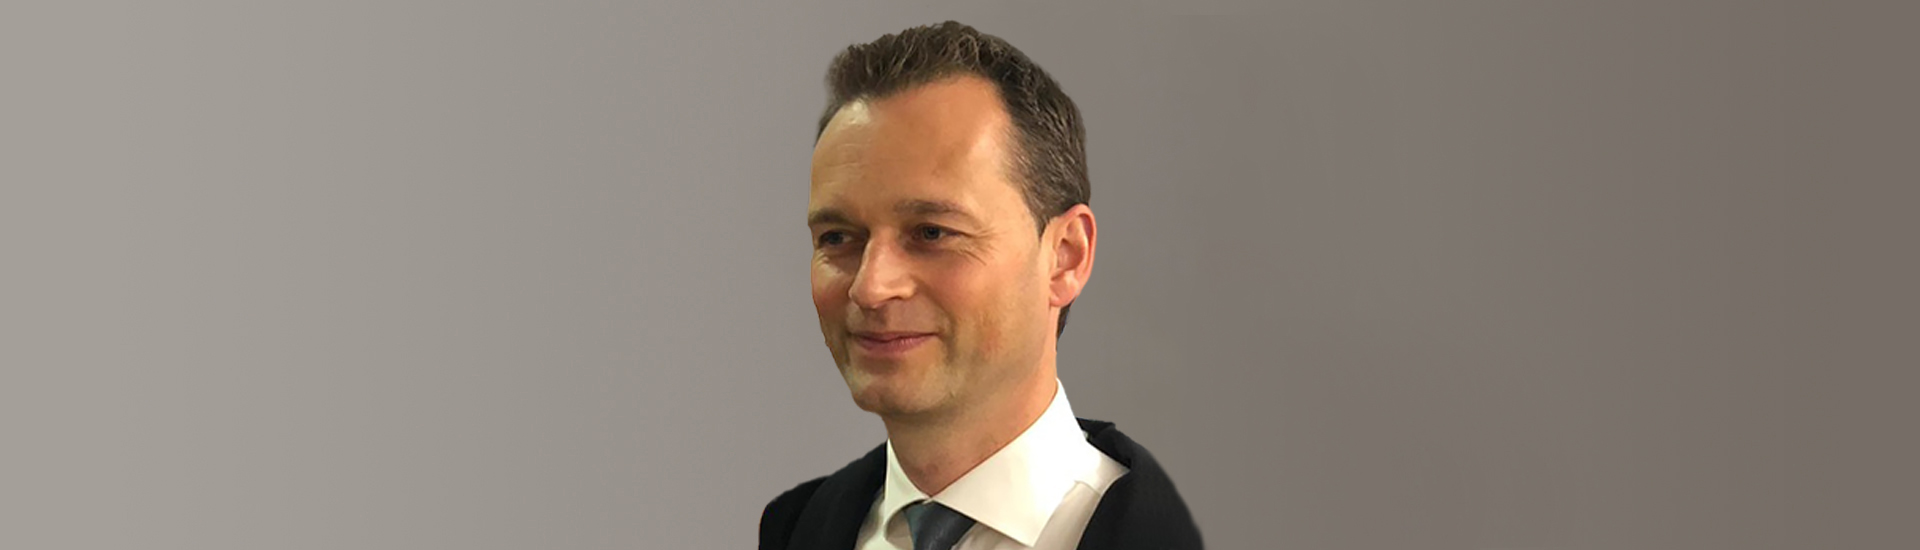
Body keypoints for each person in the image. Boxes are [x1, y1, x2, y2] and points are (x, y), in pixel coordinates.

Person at [760, 21, 1203, 550]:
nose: (871, 287)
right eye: (837, 237)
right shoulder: (795, 530)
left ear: (1066, 257)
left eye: (931, 232)